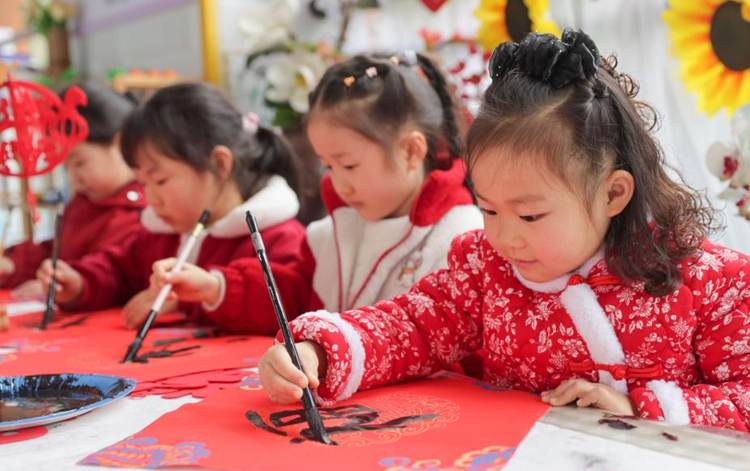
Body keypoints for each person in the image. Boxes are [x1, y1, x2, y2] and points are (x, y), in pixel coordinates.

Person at [259, 29, 750, 432]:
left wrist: (641, 407)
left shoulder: (709, 281)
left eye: (530, 216)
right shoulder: (485, 270)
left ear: (613, 193)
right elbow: (411, 327)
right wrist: (318, 353)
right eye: (488, 210)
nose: (505, 238)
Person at [148, 52, 483, 334]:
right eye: (328, 167)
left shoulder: (461, 241)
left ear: (410, 151)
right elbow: (295, 297)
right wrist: (216, 288)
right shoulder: (332, 233)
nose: (338, 184)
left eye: (349, 165)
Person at [38, 82, 305, 330]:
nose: (152, 199)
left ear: (219, 164)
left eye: (160, 181)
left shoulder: (277, 237)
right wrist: (80, 283)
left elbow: (292, 302)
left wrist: (209, 291)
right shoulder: (162, 237)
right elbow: (119, 269)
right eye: (144, 184)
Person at [0, 84, 145, 298]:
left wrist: (70, 284)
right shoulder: (85, 202)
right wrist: (13, 265)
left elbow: (115, 274)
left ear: (120, 144)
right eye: (66, 168)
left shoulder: (142, 213)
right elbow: (57, 251)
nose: (73, 178)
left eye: (79, 163)